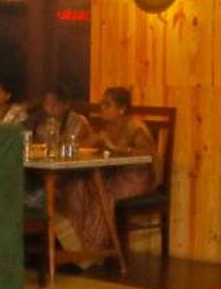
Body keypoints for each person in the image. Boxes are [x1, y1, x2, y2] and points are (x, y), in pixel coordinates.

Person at [57, 87, 157, 257]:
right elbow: (85, 146)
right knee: (77, 185)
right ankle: (74, 245)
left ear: (122, 109)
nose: (102, 109)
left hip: (136, 178)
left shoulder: (135, 126)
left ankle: (96, 250)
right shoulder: (109, 126)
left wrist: (114, 147)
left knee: (103, 195)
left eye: (107, 105)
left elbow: (148, 155)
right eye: (101, 104)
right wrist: (88, 141)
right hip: (115, 174)